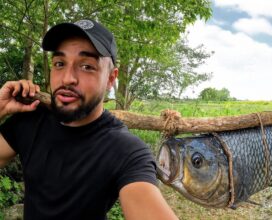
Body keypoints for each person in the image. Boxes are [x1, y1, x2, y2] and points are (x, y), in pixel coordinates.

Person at [0, 19, 178, 220]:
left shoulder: (125, 150)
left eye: (86, 66)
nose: (67, 78)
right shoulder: (30, 121)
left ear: (111, 78)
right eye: (59, 64)